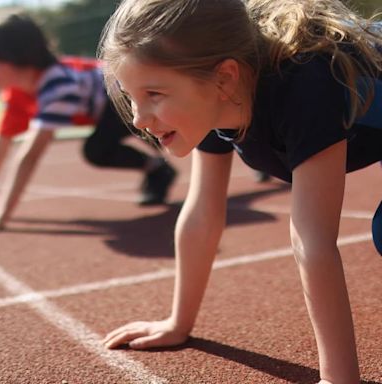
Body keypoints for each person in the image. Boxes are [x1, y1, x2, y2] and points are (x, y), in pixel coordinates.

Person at [97, 0, 382, 383]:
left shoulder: (304, 84)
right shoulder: (217, 99)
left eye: (155, 94)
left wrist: (338, 378)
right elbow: (202, 215)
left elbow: (312, 241)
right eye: (131, 96)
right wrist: (178, 322)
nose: (137, 118)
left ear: (224, 77)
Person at [0, 8, 177, 235]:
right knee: (104, 147)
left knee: (104, 147)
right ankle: (158, 168)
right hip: (105, 107)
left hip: (120, 95)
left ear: (18, 57)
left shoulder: (56, 85)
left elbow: (29, 156)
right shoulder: (17, 93)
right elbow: (0, 146)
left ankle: (167, 167)